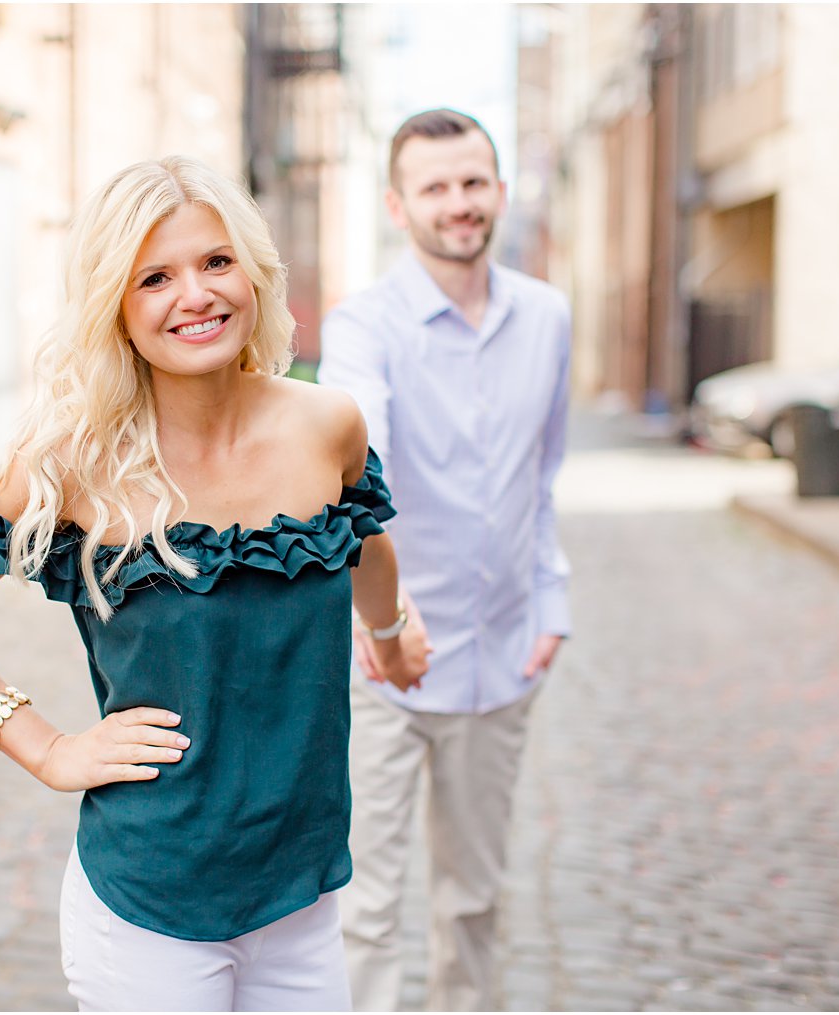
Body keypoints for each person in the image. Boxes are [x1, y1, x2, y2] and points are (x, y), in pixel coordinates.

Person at [0, 155, 426, 1013]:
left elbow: (366, 541)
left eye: (216, 262)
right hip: (149, 903)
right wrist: (44, 746)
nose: (196, 295)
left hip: (303, 888)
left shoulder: (328, 424)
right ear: (117, 309)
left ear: (254, 272)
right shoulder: (68, 465)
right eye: (155, 278)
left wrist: (392, 633)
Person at [317, 108, 573, 1012]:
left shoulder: (547, 317)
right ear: (398, 203)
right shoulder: (362, 327)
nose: (458, 204)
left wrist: (552, 599)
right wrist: (382, 618)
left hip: (502, 657)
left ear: (499, 191)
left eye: (473, 183)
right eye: (435, 187)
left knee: (473, 901)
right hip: (382, 656)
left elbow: (543, 477)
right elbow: (354, 469)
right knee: (369, 907)